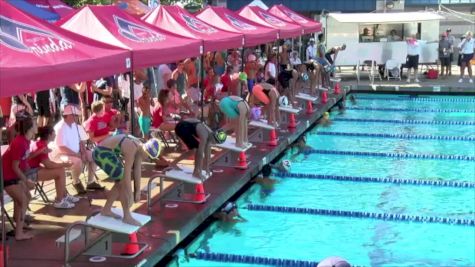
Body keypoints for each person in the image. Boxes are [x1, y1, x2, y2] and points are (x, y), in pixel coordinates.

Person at [92, 135, 162, 226]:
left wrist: (137, 192)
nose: (147, 159)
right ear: (146, 150)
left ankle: (106, 209)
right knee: (122, 182)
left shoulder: (140, 148)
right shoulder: (132, 147)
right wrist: (130, 194)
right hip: (101, 153)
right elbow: (127, 174)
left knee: (119, 182)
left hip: (109, 152)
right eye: (148, 156)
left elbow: (137, 170)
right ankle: (127, 216)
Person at [52, 105, 103, 194]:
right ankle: (76, 182)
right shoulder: (60, 127)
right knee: (77, 161)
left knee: (94, 155)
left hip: (75, 152)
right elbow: (61, 147)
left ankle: (90, 182)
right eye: (75, 115)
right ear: (70, 115)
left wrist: (83, 152)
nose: (77, 117)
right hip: (61, 155)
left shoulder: (75, 126)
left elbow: (80, 141)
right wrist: (77, 155)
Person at [29, 126, 80, 208]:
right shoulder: (41, 145)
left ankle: (64, 196)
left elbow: (48, 163)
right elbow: (48, 165)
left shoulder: (41, 143)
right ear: (49, 135)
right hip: (29, 173)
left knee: (60, 169)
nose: (55, 134)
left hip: (34, 169)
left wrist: (62, 165)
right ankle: (59, 200)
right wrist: (64, 164)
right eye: (54, 133)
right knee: (59, 171)